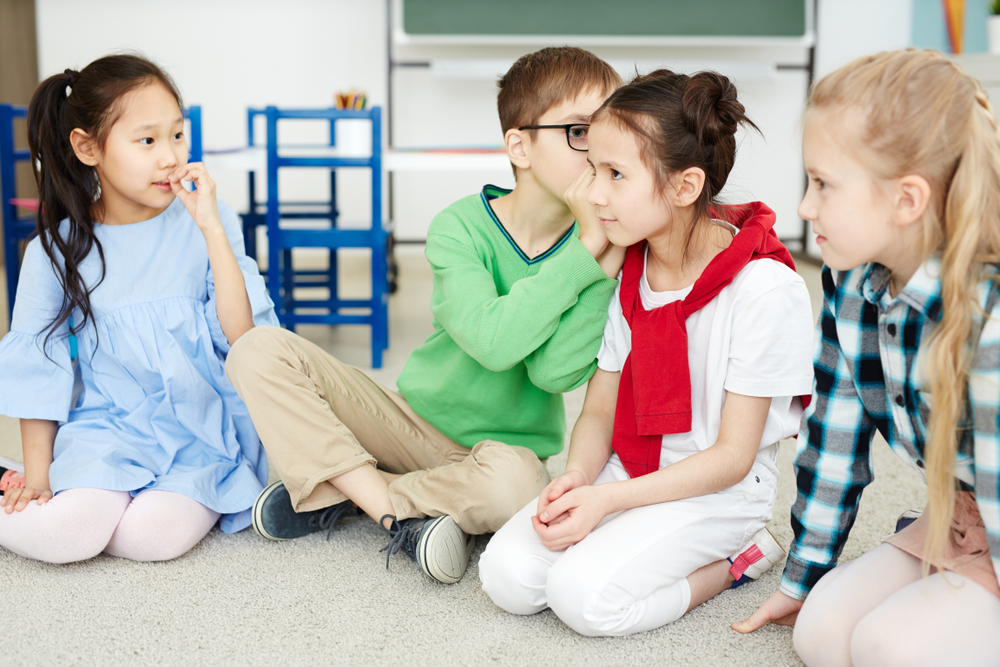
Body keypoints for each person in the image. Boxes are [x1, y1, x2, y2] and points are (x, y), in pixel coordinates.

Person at [224, 47, 625, 585]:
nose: (597, 150)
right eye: (579, 131)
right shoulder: (459, 226)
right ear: (519, 146)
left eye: (607, 132)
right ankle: (400, 511)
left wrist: (598, 262)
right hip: (406, 423)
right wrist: (582, 257)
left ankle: (349, 496)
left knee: (519, 493)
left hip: (506, 453)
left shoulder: (605, 249)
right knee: (257, 348)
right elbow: (492, 340)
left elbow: (553, 374)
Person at [478, 69, 815, 636]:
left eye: (614, 174)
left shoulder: (764, 288)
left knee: (584, 600)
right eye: (592, 169)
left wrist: (609, 502)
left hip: (721, 491)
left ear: (685, 188)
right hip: (630, 466)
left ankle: (740, 559)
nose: (592, 193)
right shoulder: (628, 267)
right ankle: (615, 514)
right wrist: (581, 478)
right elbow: (600, 410)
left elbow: (733, 457)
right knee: (507, 578)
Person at [733, 49, 1000, 666]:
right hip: (966, 512)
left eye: (823, 184)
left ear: (907, 200)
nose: (804, 206)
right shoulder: (850, 285)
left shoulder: (987, 317)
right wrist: (804, 574)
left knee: (889, 649)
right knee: (820, 633)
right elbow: (835, 437)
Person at [0, 54, 276, 564]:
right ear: (88, 148)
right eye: (147, 140)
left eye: (178, 136)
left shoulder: (211, 223)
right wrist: (37, 477)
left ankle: (108, 495)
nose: (170, 157)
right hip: (107, 428)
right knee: (69, 536)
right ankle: (17, 479)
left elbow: (243, 336)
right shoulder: (55, 252)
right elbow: (40, 368)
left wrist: (212, 229)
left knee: (152, 540)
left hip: (202, 431)